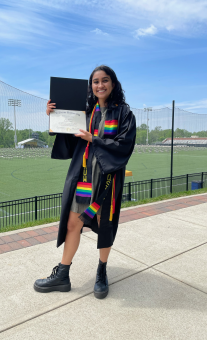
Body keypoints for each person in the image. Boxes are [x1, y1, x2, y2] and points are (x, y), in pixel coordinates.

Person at [34, 65, 136, 299]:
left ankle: (101, 271)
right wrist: (54, 117)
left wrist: (95, 139)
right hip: (83, 180)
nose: (100, 85)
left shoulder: (123, 114)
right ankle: (62, 274)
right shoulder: (84, 112)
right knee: (72, 225)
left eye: (105, 80)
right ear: (90, 86)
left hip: (106, 180)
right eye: (95, 81)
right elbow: (69, 137)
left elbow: (124, 146)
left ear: (113, 83)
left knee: (104, 226)